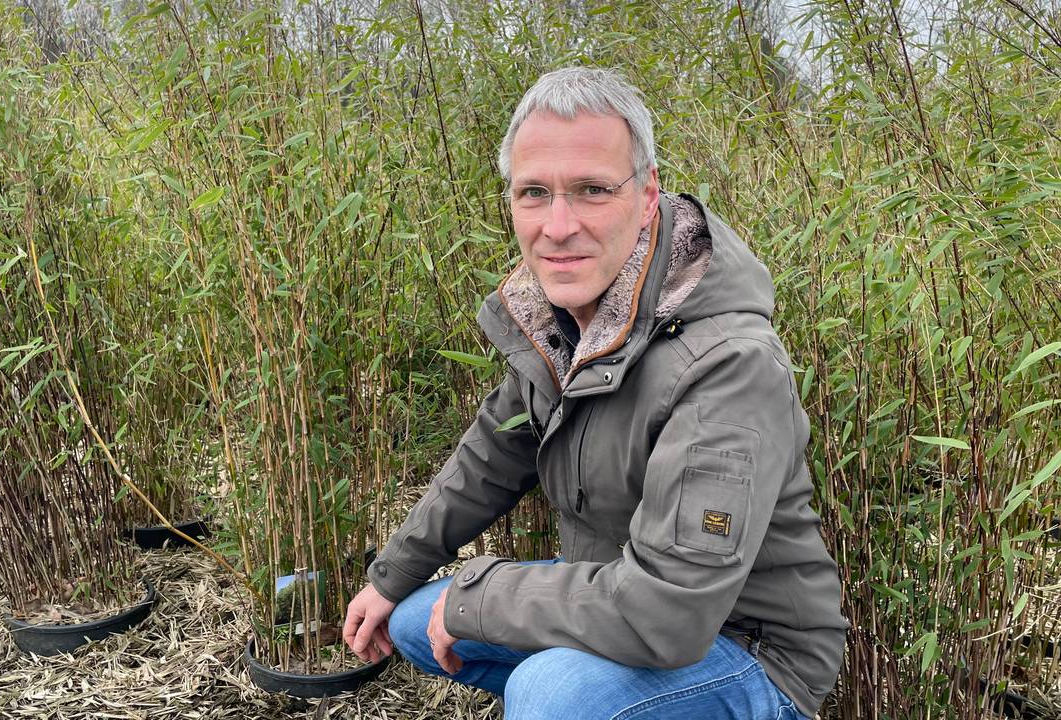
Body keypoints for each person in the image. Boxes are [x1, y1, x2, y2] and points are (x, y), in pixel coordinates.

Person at [343, 66, 848, 720]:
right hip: (618, 596)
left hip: (746, 645)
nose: (558, 227)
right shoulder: (563, 320)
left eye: (591, 190)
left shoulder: (729, 363)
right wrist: (391, 574)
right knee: (416, 618)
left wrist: (483, 596)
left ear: (647, 195)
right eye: (534, 193)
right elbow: (490, 458)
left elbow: (670, 611)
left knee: (553, 692)